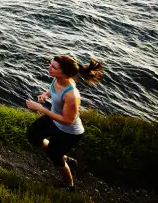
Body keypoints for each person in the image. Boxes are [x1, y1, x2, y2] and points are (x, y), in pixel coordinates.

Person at [25, 55, 104, 191]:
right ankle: (65, 157)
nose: (49, 67)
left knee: (54, 155)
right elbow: (53, 89)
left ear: (65, 73)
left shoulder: (72, 95)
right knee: (32, 135)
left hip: (69, 132)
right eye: (50, 64)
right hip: (54, 120)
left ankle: (69, 185)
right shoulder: (58, 79)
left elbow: (68, 121)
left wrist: (41, 109)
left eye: (53, 67)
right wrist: (45, 95)